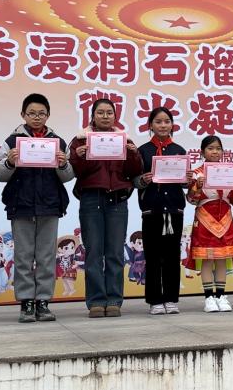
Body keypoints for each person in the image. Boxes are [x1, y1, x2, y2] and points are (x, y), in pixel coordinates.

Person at [0, 93, 75, 323]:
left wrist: (63, 164)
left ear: (48, 115)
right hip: (21, 205)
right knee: (23, 256)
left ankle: (43, 301)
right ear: (23, 115)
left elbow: (68, 176)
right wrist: (9, 162)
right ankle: (26, 302)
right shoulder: (12, 141)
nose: (36, 117)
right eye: (31, 113)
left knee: (47, 256)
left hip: (50, 205)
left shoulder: (58, 142)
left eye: (41, 113)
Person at [70, 98, 143, 318]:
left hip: (117, 200)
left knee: (115, 252)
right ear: (92, 116)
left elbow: (133, 172)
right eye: (100, 112)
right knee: (93, 251)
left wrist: (133, 153)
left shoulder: (125, 140)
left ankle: (114, 300)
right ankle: (95, 301)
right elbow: (74, 171)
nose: (105, 116)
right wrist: (79, 157)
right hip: (91, 198)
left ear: (115, 116)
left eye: (109, 113)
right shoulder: (80, 140)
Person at [134, 107, 190, 315]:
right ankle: (155, 300)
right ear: (150, 125)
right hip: (152, 210)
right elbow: (134, 180)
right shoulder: (143, 151)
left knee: (172, 256)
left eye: (167, 121)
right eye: (158, 121)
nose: (163, 125)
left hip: (174, 210)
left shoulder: (179, 150)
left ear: (172, 125)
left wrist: (188, 179)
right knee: (153, 256)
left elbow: (184, 183)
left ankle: (171, 299)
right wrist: (143, 179)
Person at [186, 135, 233, 313]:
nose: (215, 152)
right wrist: (197, 186)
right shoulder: (196, 173)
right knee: (207, 258)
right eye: (210, 148)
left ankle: (220, 295)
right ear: (202, 152)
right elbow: (191, 199)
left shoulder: (230, 171)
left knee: (221, 258)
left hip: (225, 218)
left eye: (218, 148)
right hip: (205, 218)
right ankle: (208, 298)